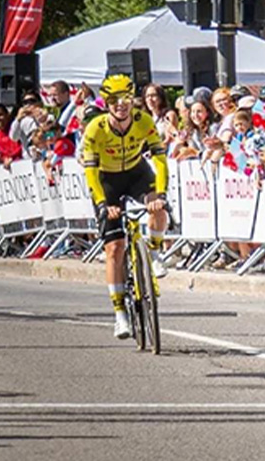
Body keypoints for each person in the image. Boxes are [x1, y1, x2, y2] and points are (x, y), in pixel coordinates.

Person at [82, 75, 170, 340]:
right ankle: (119, 312)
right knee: (114, 248)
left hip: (135, 172)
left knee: (158, 207)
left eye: (126, 99)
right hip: (106, 180)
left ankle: (153, 252)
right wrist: (101, 204)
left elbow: (161, 160)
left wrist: (161, 194)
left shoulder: (144, 122)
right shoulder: (95, 129)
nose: (121, 105)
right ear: (106, 104)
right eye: (114, 101)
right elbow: (90, 172)